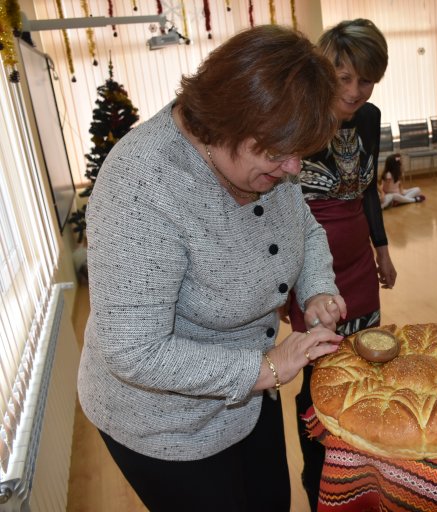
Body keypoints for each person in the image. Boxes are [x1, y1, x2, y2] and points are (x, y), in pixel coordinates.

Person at [77, 26, 345, 512]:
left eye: (298, 155)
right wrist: (265, 366)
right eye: (279, 156)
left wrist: (316, 288)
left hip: (253, 385)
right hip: (166, 425)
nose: (292, 170)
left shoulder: (265, 150)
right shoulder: (142, 186)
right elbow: (133, 349)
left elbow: (302, 228)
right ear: (225, 124)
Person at [289, 19, 395, 511]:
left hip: (357, 260)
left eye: (366, 79)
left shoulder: (370, 117)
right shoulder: (297, 119)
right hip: (311, 271)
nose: (355, 91)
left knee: (366, 366)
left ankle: (362, 471)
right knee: (321, 377)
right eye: (344, 77)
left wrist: (382, 247)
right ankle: (320, 480)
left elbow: (369, 187)